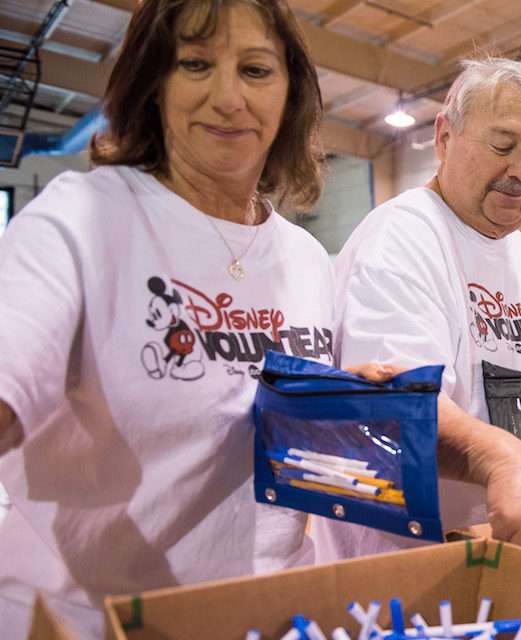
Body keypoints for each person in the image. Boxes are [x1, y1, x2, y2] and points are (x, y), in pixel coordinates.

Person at [0, 1, 336, 635]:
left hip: (268, 616)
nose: (229, 97)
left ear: (290, 94)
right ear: (154, 85)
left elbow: (304, 440)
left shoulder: (308, 260)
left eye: (257, 70)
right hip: (86, 618)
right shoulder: (81, 219)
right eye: (196, 64)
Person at [312, 58, 521, 563]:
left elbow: (485, 380)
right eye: (503, 145)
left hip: (512, 551)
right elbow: (397, 406)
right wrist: (503, 462)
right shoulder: (401, 240)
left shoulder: (520, 252)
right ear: (444, 137)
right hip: (416, 560)